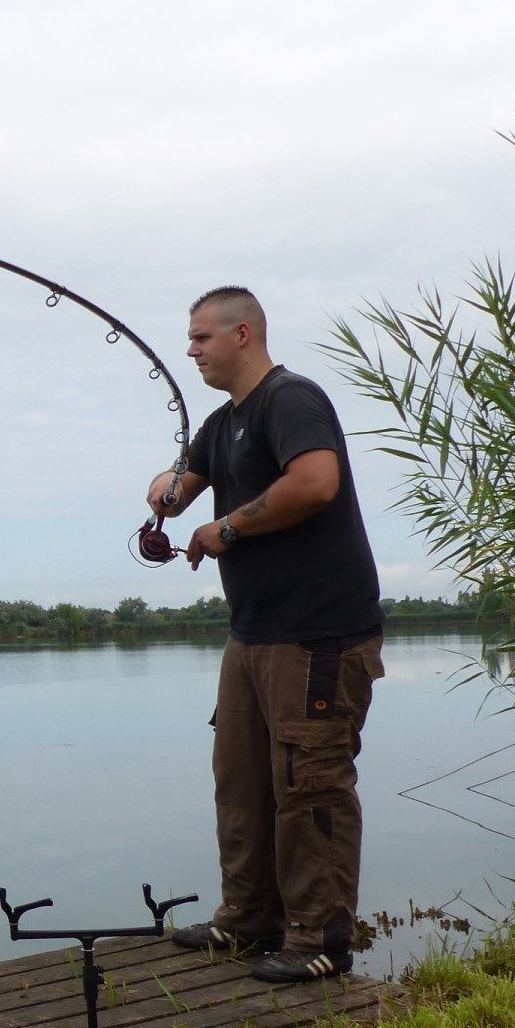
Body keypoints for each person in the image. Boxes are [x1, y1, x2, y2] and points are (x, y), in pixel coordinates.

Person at [146, 286, 384, 983]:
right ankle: (249, 919)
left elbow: (315, 483)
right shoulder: (222, 426)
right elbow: (173, 492)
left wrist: (229, 526)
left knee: (309, 784)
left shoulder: (292, 400)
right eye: (189, 341)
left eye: (200, 338)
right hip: (252, 634)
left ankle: (319, 938)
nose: (190, 351)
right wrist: (167, 492)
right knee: (242, 780)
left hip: (317, 634)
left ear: (242, 333)